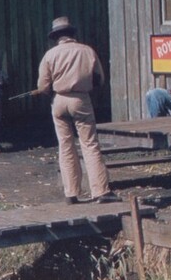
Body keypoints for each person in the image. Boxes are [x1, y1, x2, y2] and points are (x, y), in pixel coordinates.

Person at [37, 17, 119, 204]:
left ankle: (71, 193)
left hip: (59, 100)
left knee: (65, 146)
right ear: (72, 33)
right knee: (89, 144)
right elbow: (99, 79)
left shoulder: (50, 55)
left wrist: (53, 93)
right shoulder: (87, 51)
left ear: (56, 36)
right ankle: (100, 191)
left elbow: (43, 86)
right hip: (81, 99)